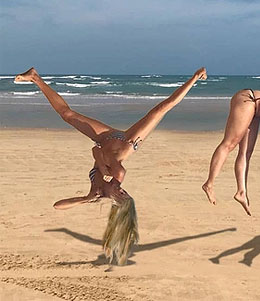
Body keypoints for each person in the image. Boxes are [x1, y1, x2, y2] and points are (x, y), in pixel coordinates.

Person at [14, 66, 206, 264]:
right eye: (126, 193)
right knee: (161, 109)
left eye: (122, 195)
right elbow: (98, 153)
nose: (123, 190)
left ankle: (35, 77)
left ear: (115, 200)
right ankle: (195, 77)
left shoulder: (97, 192)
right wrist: (103, 165)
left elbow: (58, 205)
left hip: (104, 139)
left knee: (67, 114)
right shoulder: (119, 173)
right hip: (127, 142)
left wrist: (85, 199)